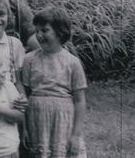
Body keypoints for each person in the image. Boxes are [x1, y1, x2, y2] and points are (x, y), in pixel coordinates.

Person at [21, 8, 87, 158]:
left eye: (44, 31)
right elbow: (24, 95)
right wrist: (23, 128)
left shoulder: (73, 62)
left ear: (60, 32)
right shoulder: (29, 60)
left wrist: (76, 135)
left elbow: (80, 100)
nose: (39, 36)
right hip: (36, 120)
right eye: (37, 31)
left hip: (63, 120)